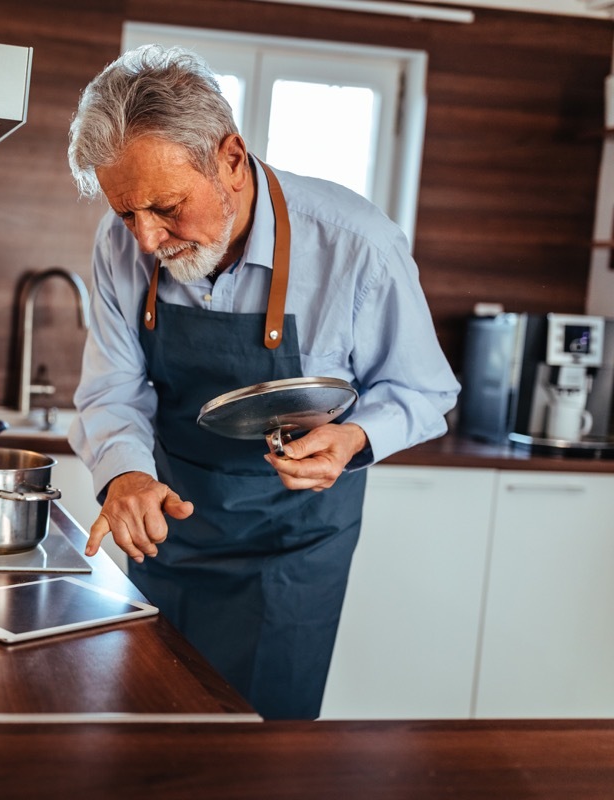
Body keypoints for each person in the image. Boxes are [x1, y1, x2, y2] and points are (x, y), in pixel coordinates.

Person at [65, 44, 460, 720]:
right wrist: (125, 476)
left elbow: (426, 390)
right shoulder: (117, 244)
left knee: (262, 749)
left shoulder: (357, 245)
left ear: (232, 160)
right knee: (154, 733)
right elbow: (112, 389)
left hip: (294, 548)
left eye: (165, 207)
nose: (146, 241)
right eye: (128, 213)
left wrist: (353, 439)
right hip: (172, 537)